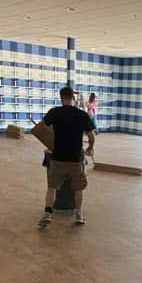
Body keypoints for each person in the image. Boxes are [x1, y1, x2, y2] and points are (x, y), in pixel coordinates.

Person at [37, 86, 96, 228]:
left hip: (58, 158)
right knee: (78, 188)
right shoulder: (82, 115)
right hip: (76, 159)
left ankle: (48, 214)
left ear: (61, 98)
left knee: (52, 187)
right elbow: (91, 135)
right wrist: (90, 148)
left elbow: (41, 128)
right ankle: (79, 215)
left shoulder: (54, 112)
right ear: (73, 99)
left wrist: (51, 140)